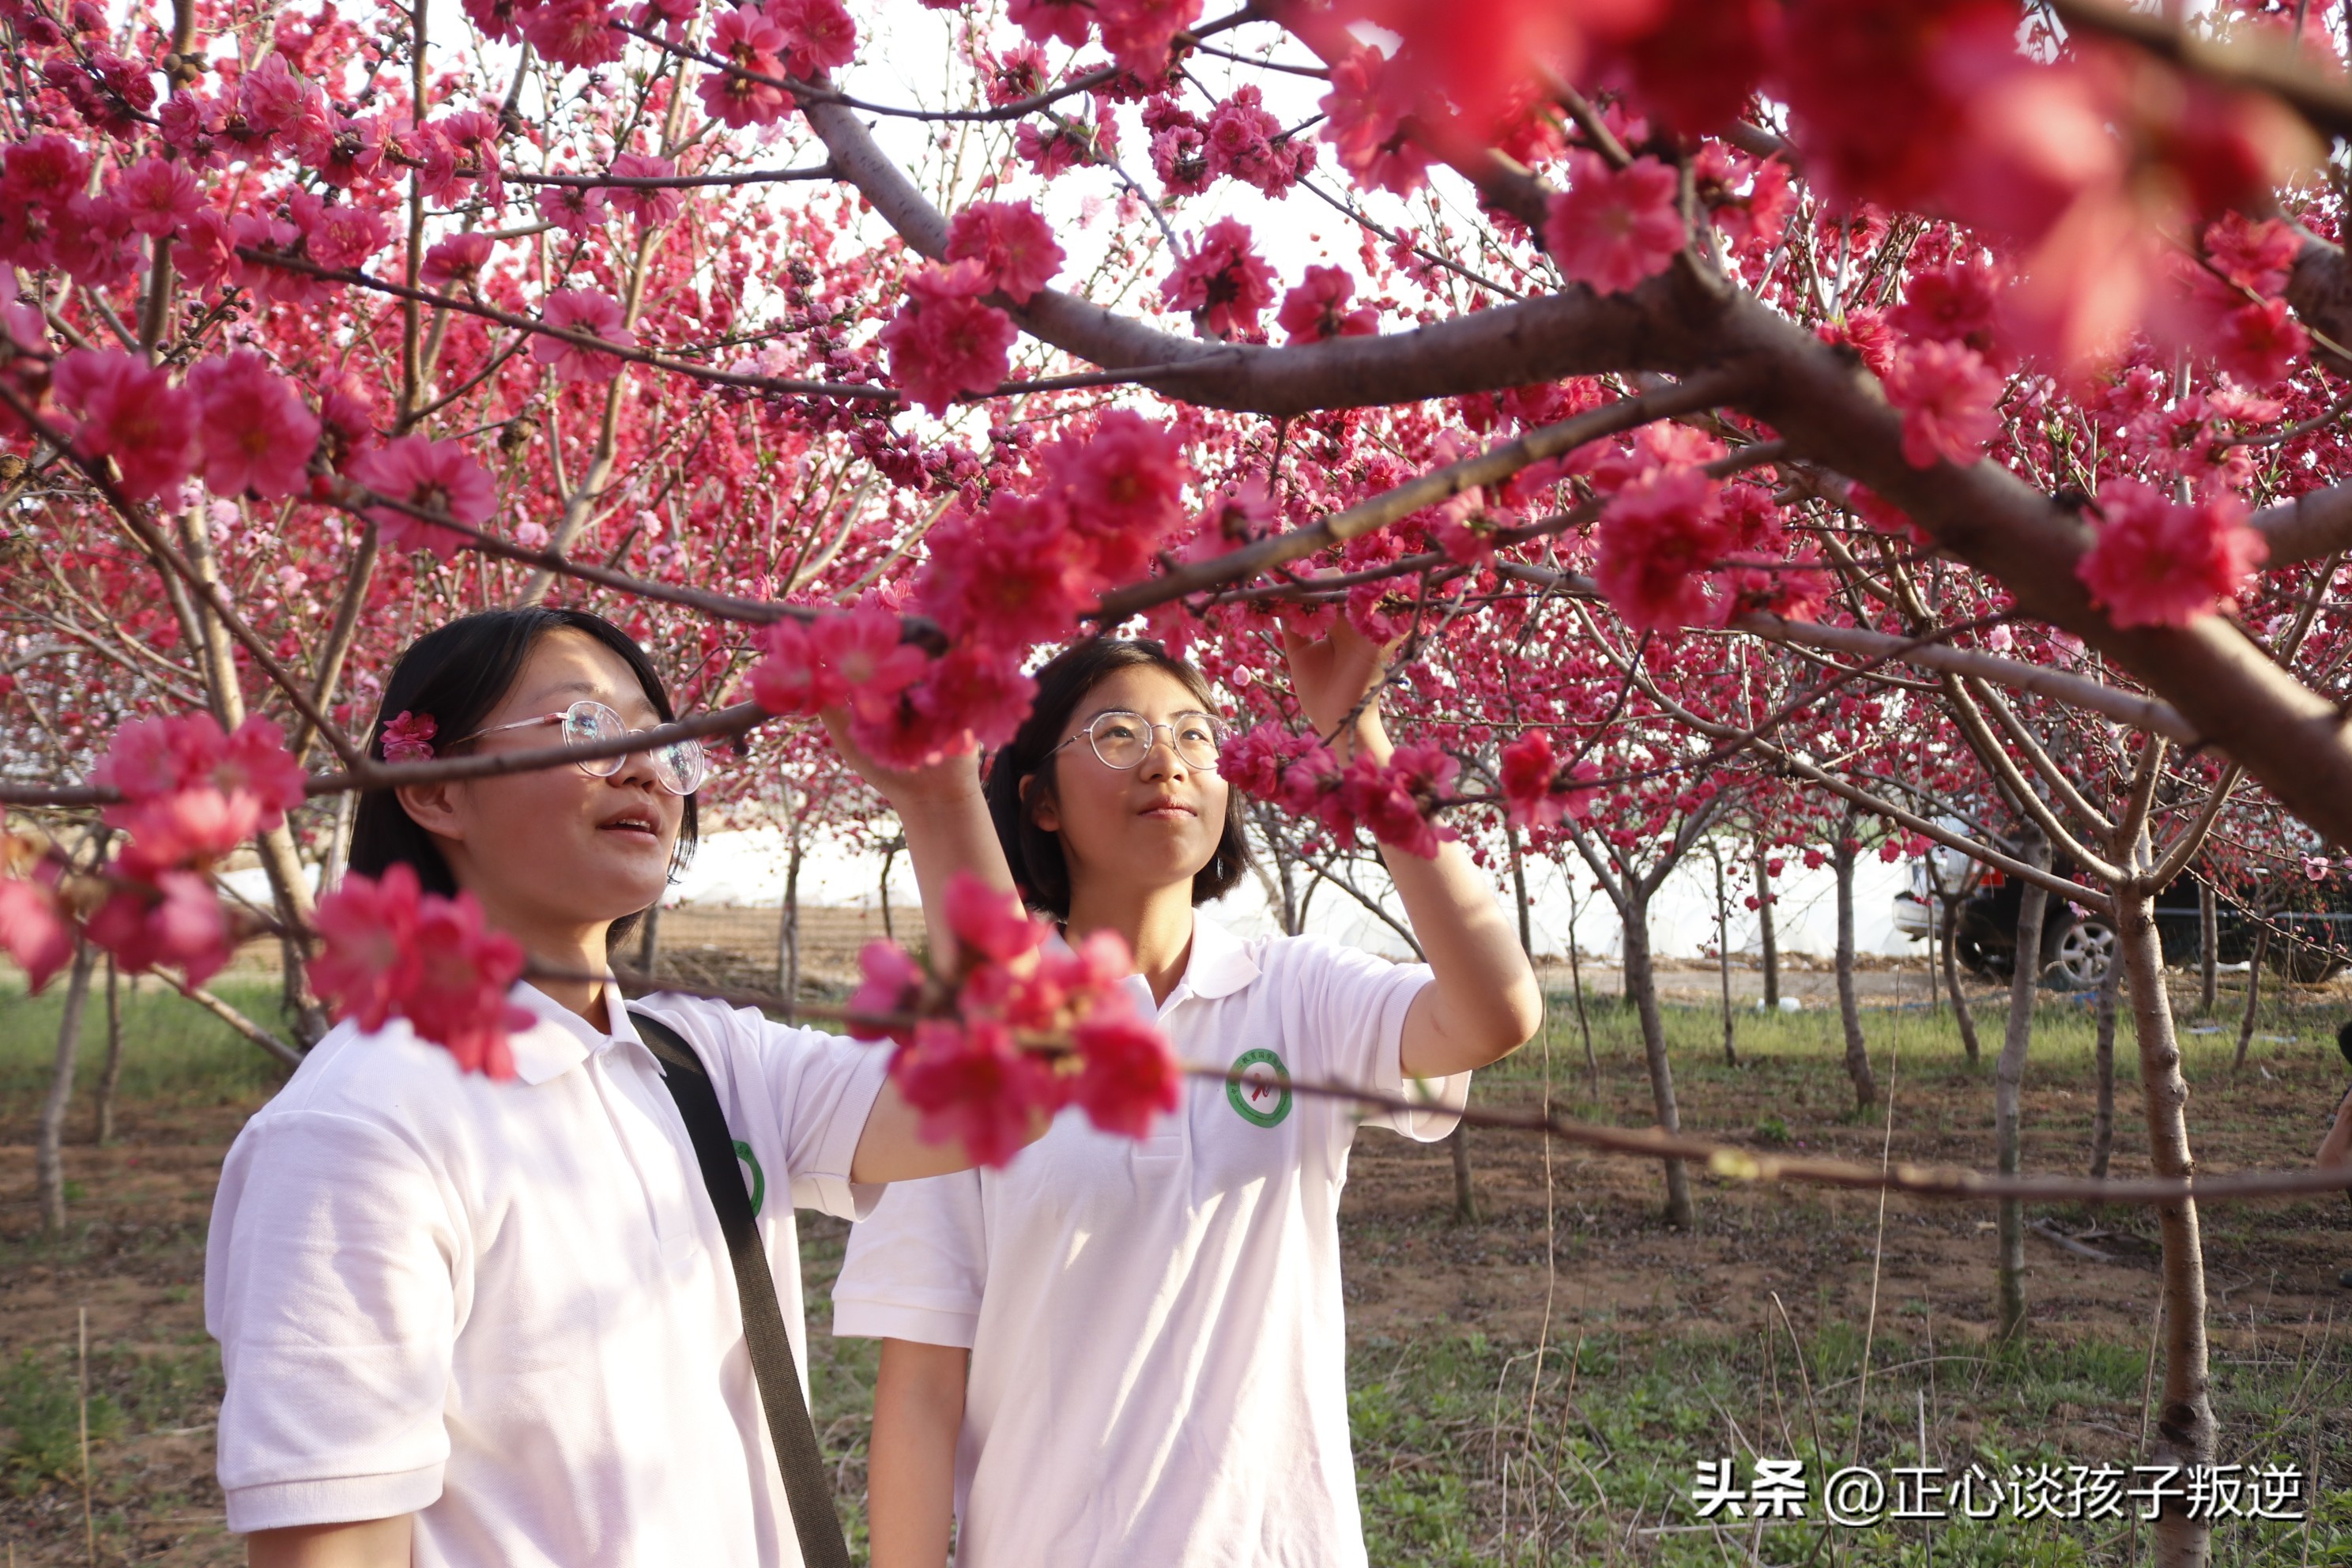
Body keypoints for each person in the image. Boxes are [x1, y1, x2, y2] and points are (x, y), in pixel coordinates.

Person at [205, 607, 1023, 1567]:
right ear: (432, 787)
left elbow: (1004, 1086)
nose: (646, 767)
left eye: (665, 742)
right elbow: (332, 1547)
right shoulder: (362, 1128)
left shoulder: (702, 1061)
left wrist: (939, 803)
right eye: (588, 730)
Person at [832, 624, 1544, 1568]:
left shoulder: (1296, 994)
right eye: (1119, 734)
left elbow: (1496, 1011)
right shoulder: (974, 1041)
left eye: (1196, 735)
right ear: (1039, 798)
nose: (1166, 760)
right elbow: (921, 1384)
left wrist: (1356, 740)